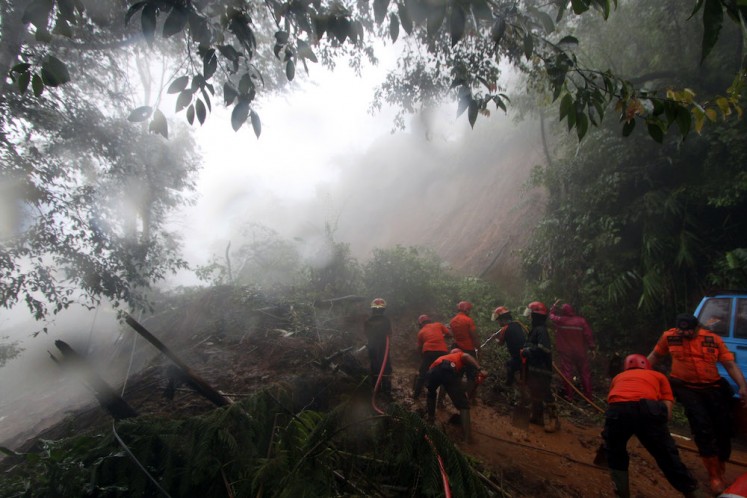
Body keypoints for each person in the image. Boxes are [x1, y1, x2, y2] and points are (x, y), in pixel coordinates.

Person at [647, 313, 747, 494]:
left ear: (697, 328)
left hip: (713, 389)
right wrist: (639, 373)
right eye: (681, 331)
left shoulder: (712, 339)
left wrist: (742, 386)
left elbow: (730, 365)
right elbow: (654, 356)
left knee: (723, 430)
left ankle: (720, 465)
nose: (685, 335)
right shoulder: (669, 337)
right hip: (686, 388)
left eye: (689, 332)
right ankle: (714, 476)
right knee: (702, 428)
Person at [603, 353, 703, 498]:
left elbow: (612, 400)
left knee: (615, 451)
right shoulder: (658, 376)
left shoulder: (618, 377)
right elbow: (667, 405)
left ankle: (622, 493)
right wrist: (660, 431)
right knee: (667, 455)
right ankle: (692, 492)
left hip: (617, 411)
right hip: (648, 409)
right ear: (647, 365)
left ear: (625, 367)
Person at [425, 348, 485, 442]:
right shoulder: (460, 355)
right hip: (448, 369)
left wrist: (441, 401)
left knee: (431, 393)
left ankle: (430, 420)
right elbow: (466, 356)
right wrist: (480, 369)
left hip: (432, 371)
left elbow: (444, 385)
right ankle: (467, 438)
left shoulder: (443, 357)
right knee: (464, 405)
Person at [521, 300, 559, 432]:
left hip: (542, 369)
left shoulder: (541, 330)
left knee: (546, 394)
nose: (529, 317)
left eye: (531, 315)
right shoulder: (536, 329)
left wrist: (527, 351)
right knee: (535, 393)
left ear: (536, 316)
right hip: (534, 368)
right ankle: (538, 417)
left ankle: (554, 421)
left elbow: (545, 349)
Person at [549, 300, 596, 402]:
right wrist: (592, 348)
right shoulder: (581, 321)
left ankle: (569, 397)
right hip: (580, 352)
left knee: (567, 373)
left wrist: (554, 306)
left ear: (562, 311)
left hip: (566, 352)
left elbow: (551, 316)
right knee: (585, 374)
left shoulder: (560, 320)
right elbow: (588, 335)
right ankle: (589, 398)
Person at [449, 300, 480, 402]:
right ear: (466, 310)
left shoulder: (452, 321)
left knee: (457, 373)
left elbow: (454, 335)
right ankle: (469, 398)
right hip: (469, 350)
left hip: (457, 349)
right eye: (469, 310)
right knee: (472, 375)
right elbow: (474, 337)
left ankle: (456, 395)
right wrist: (479, 348)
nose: (469, 312)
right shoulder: (468, 320)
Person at [413, 314, 450, 399]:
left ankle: (415, 396)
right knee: (445, 374)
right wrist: (442, 336)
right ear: (429, 321)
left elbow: (419, 347)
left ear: (420, 324)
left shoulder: (421, 332)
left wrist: (422, 356)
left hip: (429, 352)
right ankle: (441, 401)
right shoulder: (438, 325)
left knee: (422, 374)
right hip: (442, 352)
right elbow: (449, 334)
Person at [490, 306, 527, 387]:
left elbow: (500, 343)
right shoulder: (517, 324)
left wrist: (495, 338)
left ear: (503, 320)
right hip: (525, 352)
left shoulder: (505, 329)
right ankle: (521, 378)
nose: (498, 323)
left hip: (518, 356)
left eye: (499, 321)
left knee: (509, 365)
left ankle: (508, 385)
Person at [363, 297, 393, 397]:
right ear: (383, 310)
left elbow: (366, 334)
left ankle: (375, 390)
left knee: (374, 367)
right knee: (386, 368)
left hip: (372, 348)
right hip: (383, 348)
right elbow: (389, 333)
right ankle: (387, 391)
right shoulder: (386, 320)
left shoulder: (367, 321)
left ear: (373, 309)